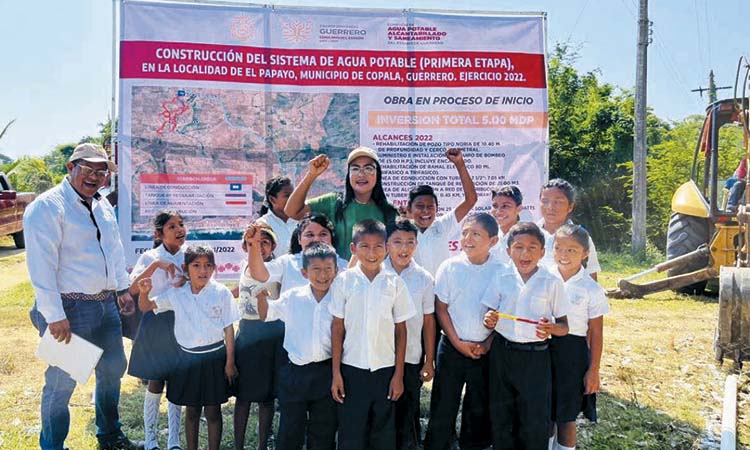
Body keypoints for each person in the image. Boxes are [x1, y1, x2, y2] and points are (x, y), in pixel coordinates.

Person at [25, 143, 141, 450]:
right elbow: (41, 266)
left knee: (112, 371)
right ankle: (52, 446)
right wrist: (54, 315)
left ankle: (110, 436)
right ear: (70, 167)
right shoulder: (48, 207)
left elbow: (113, 250)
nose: (95, 176)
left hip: (105, 305)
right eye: (88, 169)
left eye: (101, 171)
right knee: (62, 383)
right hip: (70, 309)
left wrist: (121, 288)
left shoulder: (102, 205)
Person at [137, 245, 239, 450]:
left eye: (208, 266)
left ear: (214, 268)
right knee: (191, 411)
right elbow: (146, 306)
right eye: (197, 265)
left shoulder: (221, 293)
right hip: (188, 359)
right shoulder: (177, 294)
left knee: (212, 411)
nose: (203, 271)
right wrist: (144, 292)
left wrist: (230, 362)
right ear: (185, 268)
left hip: (214, 358)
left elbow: (229, 329)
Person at [481, 222, 570, 450]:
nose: (525, 253)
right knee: (502, 414)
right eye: (518, 247)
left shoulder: (552, 282)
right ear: (509, 250)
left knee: (534, 418)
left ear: (542, 252)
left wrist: (552, 328)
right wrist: (489, 319)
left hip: (536, 358)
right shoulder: (502, 277)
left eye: (532, 247)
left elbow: (564, 326)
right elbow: (489, 313)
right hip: (503, 354)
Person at [329, 219, 416, 450]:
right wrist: (336, 373)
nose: (371, 252)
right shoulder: (343, 281)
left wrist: (398, 375)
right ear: (353, 249)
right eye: (364, 246)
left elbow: (401, 330)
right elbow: (337, 328)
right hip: (351, 369)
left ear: (386, 248)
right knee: (351, 432)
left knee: (383, 432)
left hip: (385, 370)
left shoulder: (394, 283)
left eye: (378, 246)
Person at [423, 213, 502, 450]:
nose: (468, 238)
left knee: (478, 404)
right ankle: (437, 444)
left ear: (493, 241)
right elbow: (442, 308)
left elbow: (503, 311)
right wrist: (457, 343)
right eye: (465, 232)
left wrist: (487, 343)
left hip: (484, 349)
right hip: (451, 346)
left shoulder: (502, 270)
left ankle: (473, 444)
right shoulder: (450, 267)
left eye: (476, 234)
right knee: (444, 401)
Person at [257, 243, 339, 450]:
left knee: (323, 428)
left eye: (328, 269)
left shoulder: (340, 298)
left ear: (336, 271)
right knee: (290, 427)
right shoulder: (294, 297)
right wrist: (261, 297)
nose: (323, 275)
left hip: (327, 371)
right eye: (316, 269)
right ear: (304, 272)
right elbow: (267, 314)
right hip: (295, 373)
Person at [127, 210, 186, 450]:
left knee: (177, 382)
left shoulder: (188, 256)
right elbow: (132, 288)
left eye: (181, 224)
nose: (179, 229)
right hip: (156, 323)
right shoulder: (150, 256)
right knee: (156, 381)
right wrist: (156, 265)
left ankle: (174, 440)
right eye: (172, 226)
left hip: (182, 323)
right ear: (159, 234)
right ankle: (151, 439)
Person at [547, 225, 609, 450]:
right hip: (542, 350)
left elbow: (596, 332)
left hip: (572, 355)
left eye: (572, 250)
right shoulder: (543, 276)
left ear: (585, 254)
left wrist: (593, 370)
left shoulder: (591, 289)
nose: (564, 255)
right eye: (559, 248)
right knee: (544, 412)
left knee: (566, 416)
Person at [284, 147, 399, 260]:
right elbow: (292, 211)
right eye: (355, 169)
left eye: (368, 168)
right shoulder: (333, 202)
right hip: (337, 276)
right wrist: (311, 175)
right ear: (348, 174)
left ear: (377, 174)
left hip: (373, 277)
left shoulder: (388, 211)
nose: (361, 174)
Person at [384, 218, 436, 450]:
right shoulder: (373, 271)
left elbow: (428, 321)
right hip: (378, 357)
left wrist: (429, 360)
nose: (403, 248)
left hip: (411, 358)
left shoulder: (424, 278)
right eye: (397, 242)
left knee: (408, 415)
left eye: (409, 242)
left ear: (416, 245)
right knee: (382, 416)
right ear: (386, 244)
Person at [233, 224, 283, 450]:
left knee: (266, 397)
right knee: (243, 396)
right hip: (246, 333)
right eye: (253, 242)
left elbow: (258, 274)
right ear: (245, 245)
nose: (260, 246)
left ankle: (263, 444)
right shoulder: (244, 265)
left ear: (273, 246)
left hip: (269, 335)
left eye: (265, 242)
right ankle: (239, 445)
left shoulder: (274, 267)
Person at [408, 148, 478, 277]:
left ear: (437, 209)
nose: (425, 211)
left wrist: (459, 164)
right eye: (419, 206)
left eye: (430, 206)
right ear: (409, 209)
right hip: (414, 292)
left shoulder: (442, 225)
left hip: (441, 292)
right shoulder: (403, 230)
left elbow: (471, 200)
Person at [247, 214, 348, 291]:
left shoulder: (343, 266)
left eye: (323, 234)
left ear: (331, 237)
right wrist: (253, 245)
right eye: (309, 235)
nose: (316, 239)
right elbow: (259, 274)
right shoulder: (287, 263)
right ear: (299, 239)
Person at [538, 179, 600, 280]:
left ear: (570, 206)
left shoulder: (581, 237)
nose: (550, 207)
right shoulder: (529, 235)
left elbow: (591, 279)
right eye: (545, 201)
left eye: (558, 202)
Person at [257, 176, 298, 256]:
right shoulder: (261, 225)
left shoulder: (302, 221)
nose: (293, 199)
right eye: (287, 196)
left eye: (294, 195)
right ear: (272, 199)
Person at [489, 185, 524, 264]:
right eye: (495, 206)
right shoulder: (488, 235)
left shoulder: (528, 236)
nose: (498, 211)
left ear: (518, 209)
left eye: (505, 206)